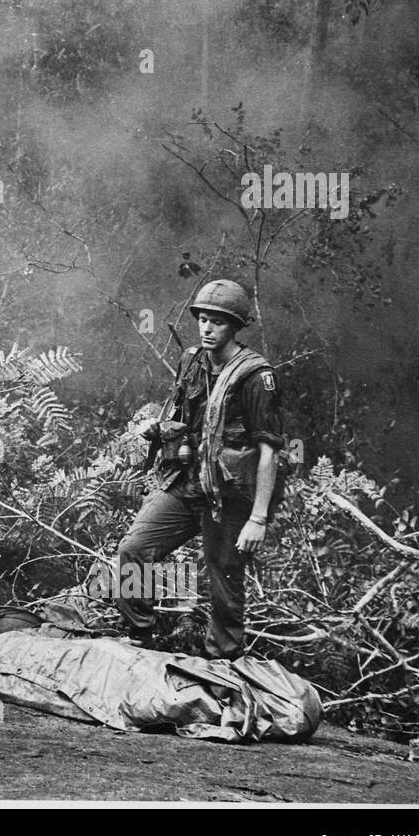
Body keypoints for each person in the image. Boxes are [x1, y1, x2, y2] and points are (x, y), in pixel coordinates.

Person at [115, 279, 284, 660]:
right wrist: (160, 429)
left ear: (235, 326)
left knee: (223, 576)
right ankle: (139, 635)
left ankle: (222, 662)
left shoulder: (256, 377)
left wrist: (258, 518)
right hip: (187, 482)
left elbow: (269, 451)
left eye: (217, 322)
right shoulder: (191, 359)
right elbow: (184, 414)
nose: (207, 328)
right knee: (133, 550)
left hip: (228, 494)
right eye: (203, 319)